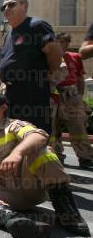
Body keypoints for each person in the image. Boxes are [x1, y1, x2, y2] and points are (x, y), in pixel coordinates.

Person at [0, 91, 90, 238]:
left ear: (3, 107)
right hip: (6, 193)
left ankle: (68, 213)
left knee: (42, 151)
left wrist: (17, 152)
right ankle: (14, 221)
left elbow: (39, 135)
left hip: (32, 188)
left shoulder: (13, 126)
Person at [0, 0, 63, 134]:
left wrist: (47, 72)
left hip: (32, 93)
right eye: (3, 7)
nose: (6, 8)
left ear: (24, 6)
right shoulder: (9, 34)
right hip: (11, 95)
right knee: (14, 134)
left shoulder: (36, 25)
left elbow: (55, 53)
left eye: (11, 4)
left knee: (35, 134)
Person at [49, 32, 93, 169]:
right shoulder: (49, 58)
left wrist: (80, 97)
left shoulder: (75, 57)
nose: (62, 45)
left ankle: (85, 156)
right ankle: (57, 155)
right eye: (59, 42)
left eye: (65, 42)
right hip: (54, 93)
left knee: (78, 126)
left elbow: (80, 78)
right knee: (54, 127)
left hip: (71, 95)